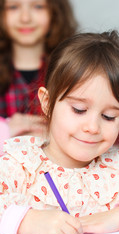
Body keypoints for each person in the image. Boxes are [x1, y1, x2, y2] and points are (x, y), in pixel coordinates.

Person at [0, 30, 119, 234]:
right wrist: (28, 221)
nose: (93, 127)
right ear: (47, 103)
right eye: (78, 110)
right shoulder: (18, 162)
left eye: (109, 116)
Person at [0, 0, 77, 155]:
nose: (25, 18)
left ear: (55, 13)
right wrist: (6, 130)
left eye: (38, 6)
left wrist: (61, 135)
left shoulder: (74, 69)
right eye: (13, 7)